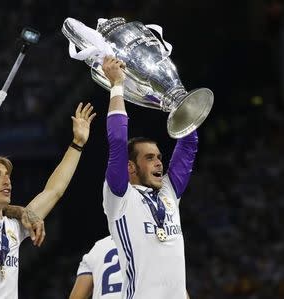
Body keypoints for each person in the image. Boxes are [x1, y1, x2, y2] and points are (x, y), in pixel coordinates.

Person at [0, 102, 96, 299]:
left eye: (7, 175)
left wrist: (77, 143)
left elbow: (53, 191)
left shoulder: (16, 225)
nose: (7, 181)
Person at [101, 56, 199, 298]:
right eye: (149, 158)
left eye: (159, 157)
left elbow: (188, 142)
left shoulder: (168, 193)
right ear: (130, 168)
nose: (159, 162)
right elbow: (117, 141)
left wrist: (175, 97)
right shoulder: (119, 197)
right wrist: (117, 85)